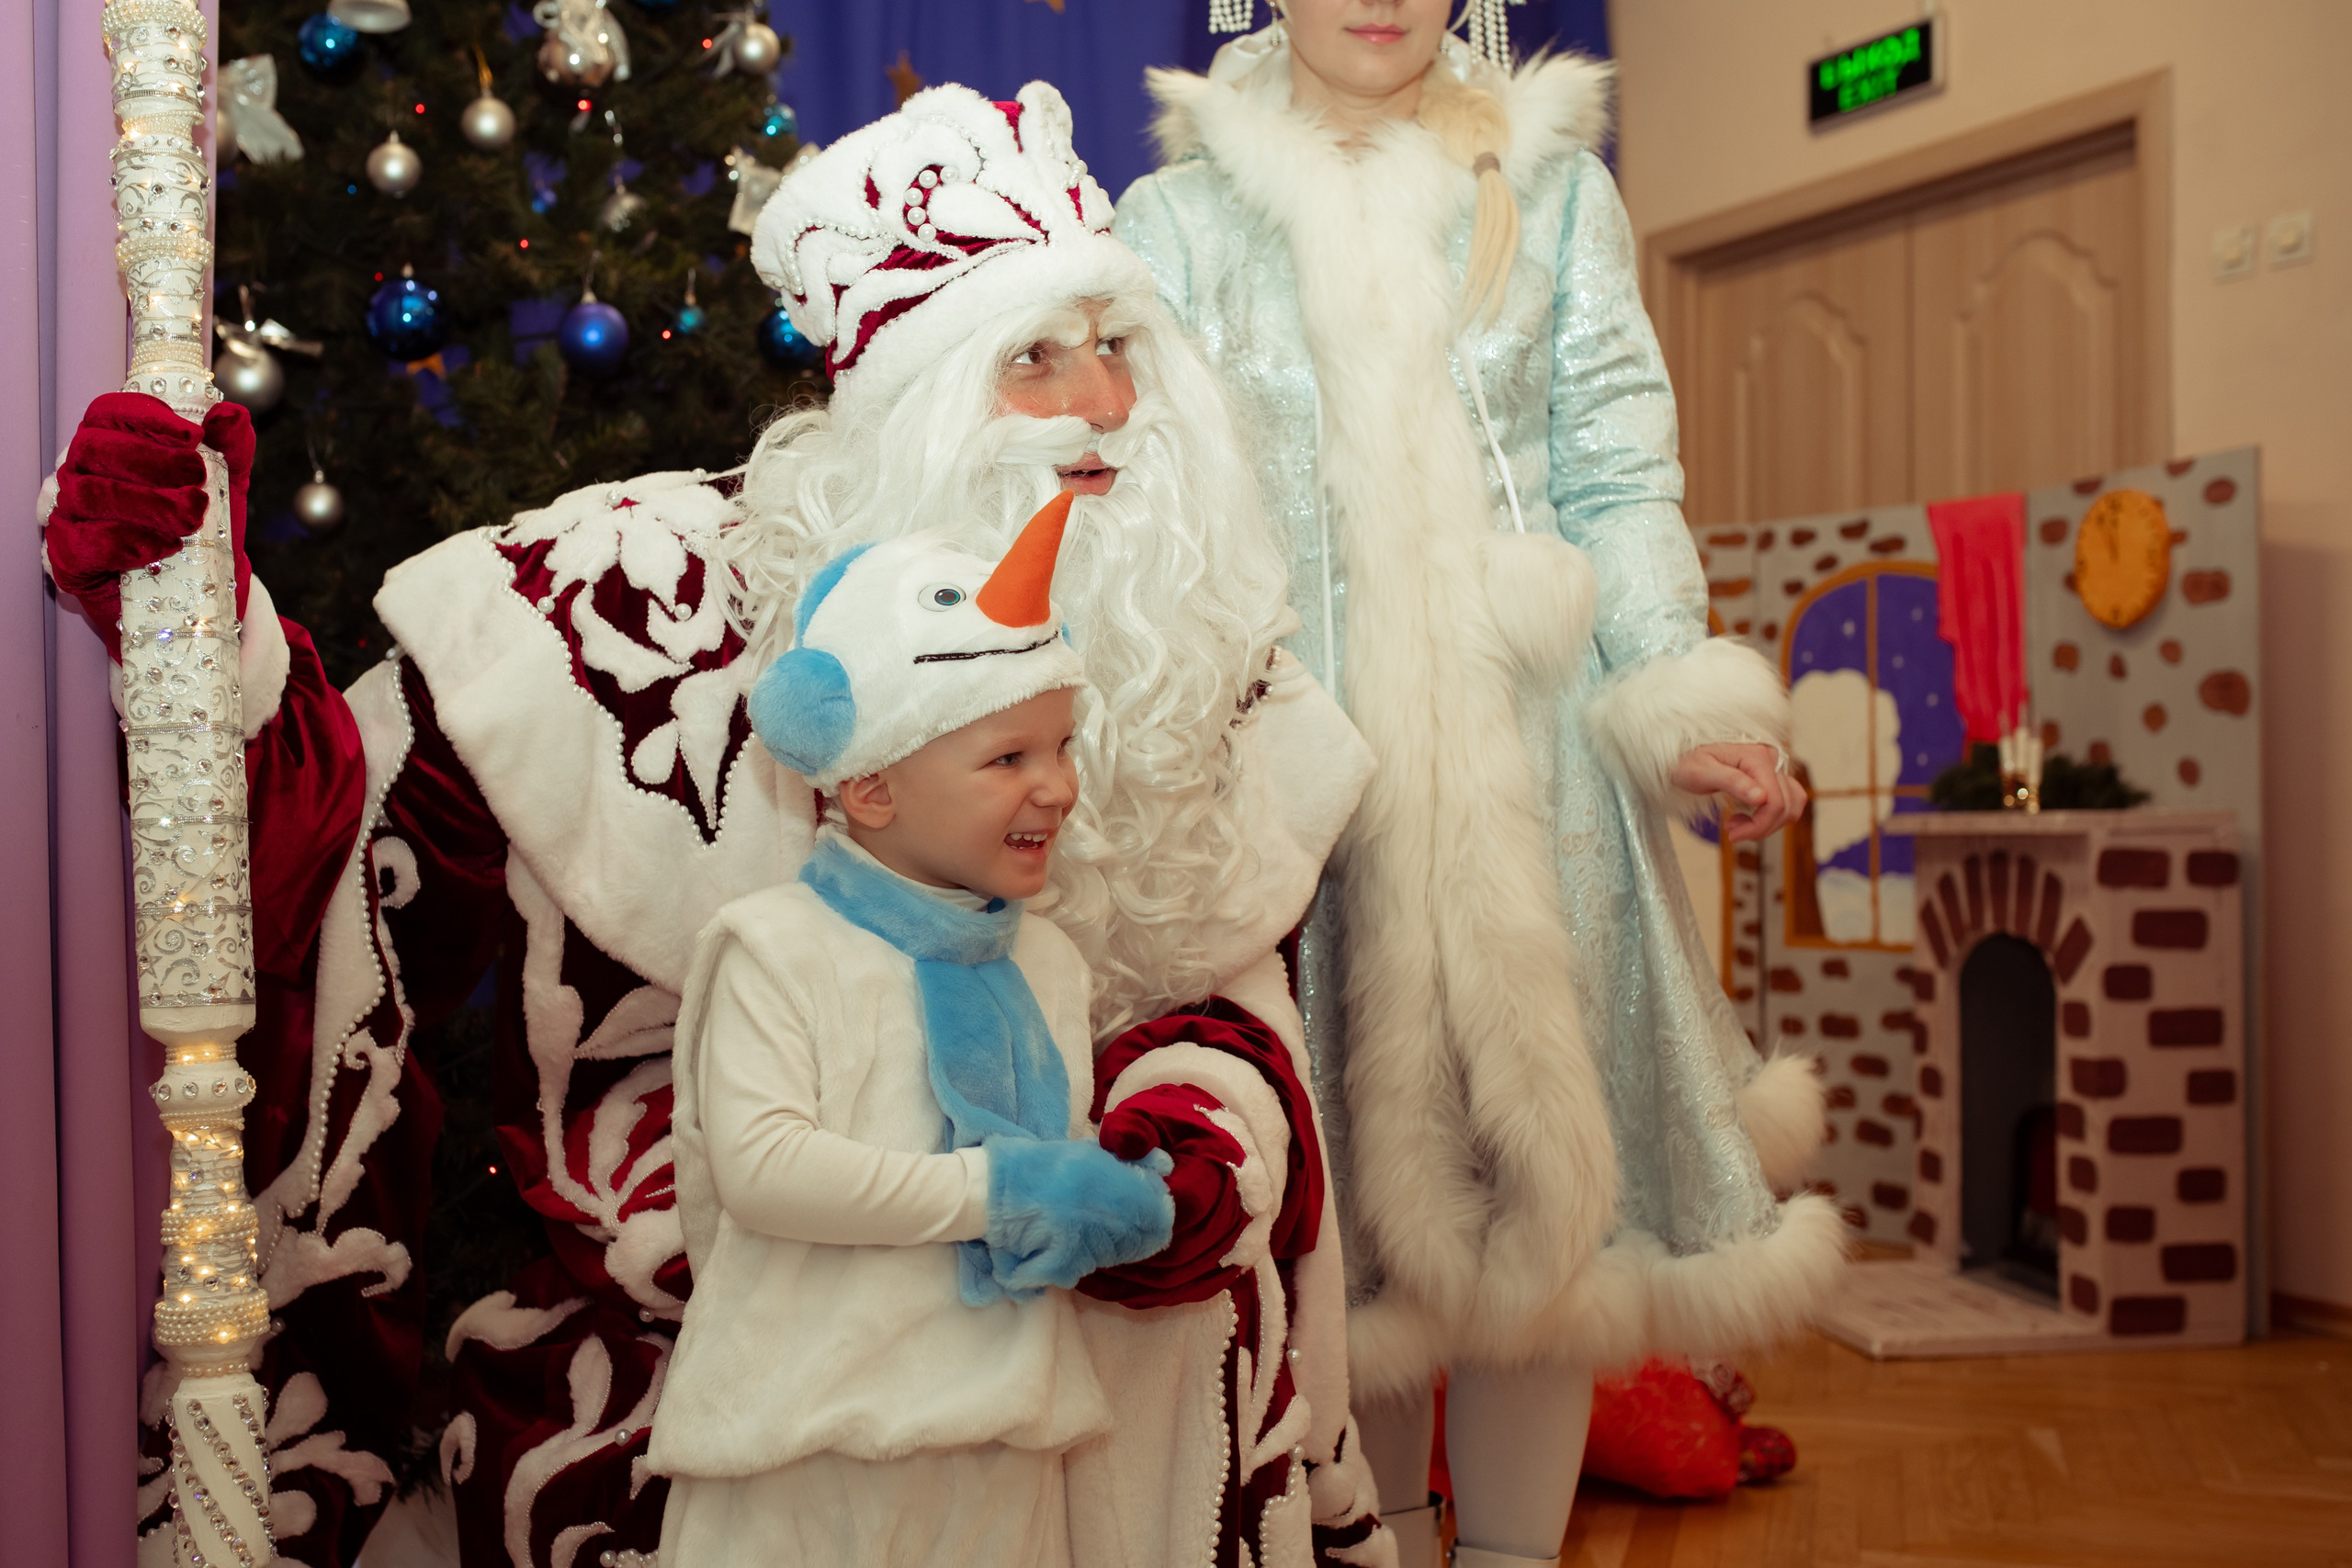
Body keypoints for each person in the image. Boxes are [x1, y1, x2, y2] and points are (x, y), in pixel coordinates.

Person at [43, 81, 1385, 1568]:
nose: (1105, 407)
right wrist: (200, 637)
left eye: (1118, 347)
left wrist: (1195, 1142)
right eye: (1035, 358)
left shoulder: (1199, 634)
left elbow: (1236, 981)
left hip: (1102, 1352)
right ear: (916, 405)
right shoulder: (627, 601)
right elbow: (341, 849)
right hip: (715, 1350)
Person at [1114, 4, 1846, 1564]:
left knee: (1545, 1222)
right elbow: (1158, 509)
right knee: (1350, 1241)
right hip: (1310, 781)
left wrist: (1672, 690)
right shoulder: (1175, 224)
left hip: (1539, 778)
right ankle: (1370, 1538)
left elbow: (1619, 466)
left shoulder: (1555, 186)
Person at [656, 498, 1176, 1565]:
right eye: (1007, 758)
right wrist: (1000, 1192)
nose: (1059, 786)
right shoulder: (774, 948)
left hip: (997, 1430)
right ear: (872, 785)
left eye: (1062, 747)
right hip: (799, 1437)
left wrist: (1100, 1205)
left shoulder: (1047, 964)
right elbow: (763, 1169)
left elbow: (1049, 1185)